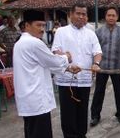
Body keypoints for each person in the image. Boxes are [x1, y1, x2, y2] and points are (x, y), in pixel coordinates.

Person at [13, 10, 81, 138]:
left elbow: (44, 64)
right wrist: (66, 56)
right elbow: (53, 61)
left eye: (44, 25)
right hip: (36, 99)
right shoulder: (33, 43)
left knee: (31, 132)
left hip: (28, 99)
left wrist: (67, 68)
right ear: (27, 26)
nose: (42, 29)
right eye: (38, 25)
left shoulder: (20, 43)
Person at [51, 3, 102, 138]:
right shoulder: (61, 32)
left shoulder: (91, 34)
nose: (81, 16)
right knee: (68, 112)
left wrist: (96, 63)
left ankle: (81, 135)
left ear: (87, 17)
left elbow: (97, 51)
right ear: (70, 15)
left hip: (84, 79)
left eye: (84, 14)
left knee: (82, 111)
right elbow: (56, 51)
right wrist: (67, 63)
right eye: (78, 13)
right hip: (66, 79)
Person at [90, 7, 120, 127]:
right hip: (101, 68)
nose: (111, 17)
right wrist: (93, 65)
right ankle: (95, 116)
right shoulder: (98, 32)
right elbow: (94, 50)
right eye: (109, 15)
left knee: (119, 92)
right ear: (105, 17)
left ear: (117, 17)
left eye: (113, 15)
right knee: (98, 93)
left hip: (117, 68)